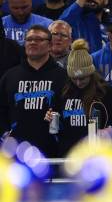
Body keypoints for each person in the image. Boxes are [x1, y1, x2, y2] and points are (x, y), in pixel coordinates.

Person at [0, 25, 67, 157]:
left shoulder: (64, 77)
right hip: (17, 152)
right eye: (29, 39)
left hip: (53, 151)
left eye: (38, 39)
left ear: (50, 45)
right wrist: (4, 133)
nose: (32, 42)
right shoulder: (10, 76)